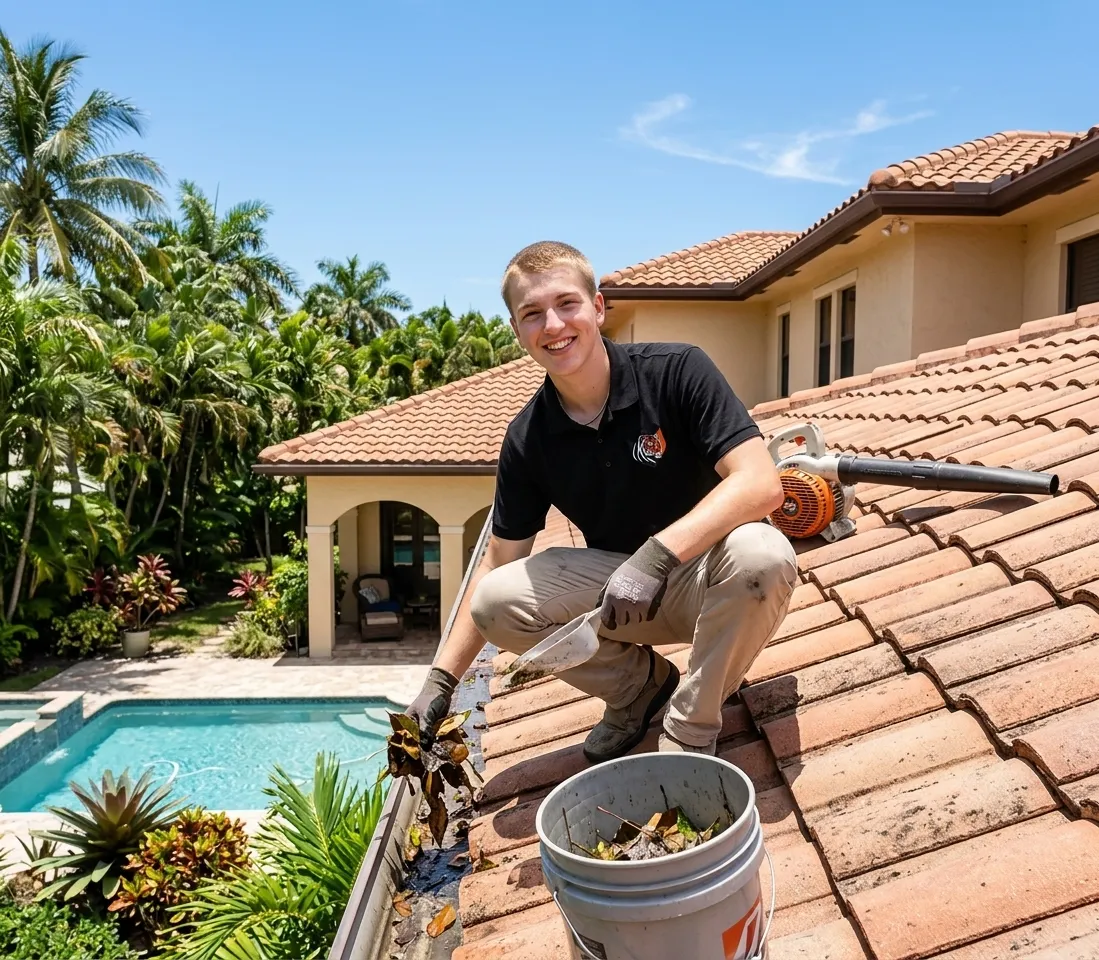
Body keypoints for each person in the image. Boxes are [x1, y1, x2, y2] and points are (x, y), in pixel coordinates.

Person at [408, 241, 797, 760]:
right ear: (517, 331)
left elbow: (760, 483)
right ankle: (639, 691)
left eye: (566, 303)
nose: (552, 325)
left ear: (597, 306)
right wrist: (440, 682)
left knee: (764, 554)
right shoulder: (528, 439)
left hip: (716, 584)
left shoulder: (678, 370)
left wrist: (657, 556)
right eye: (532, 313)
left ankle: (689, 730)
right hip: (622, 601)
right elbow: (498, 562)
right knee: (493, 601)